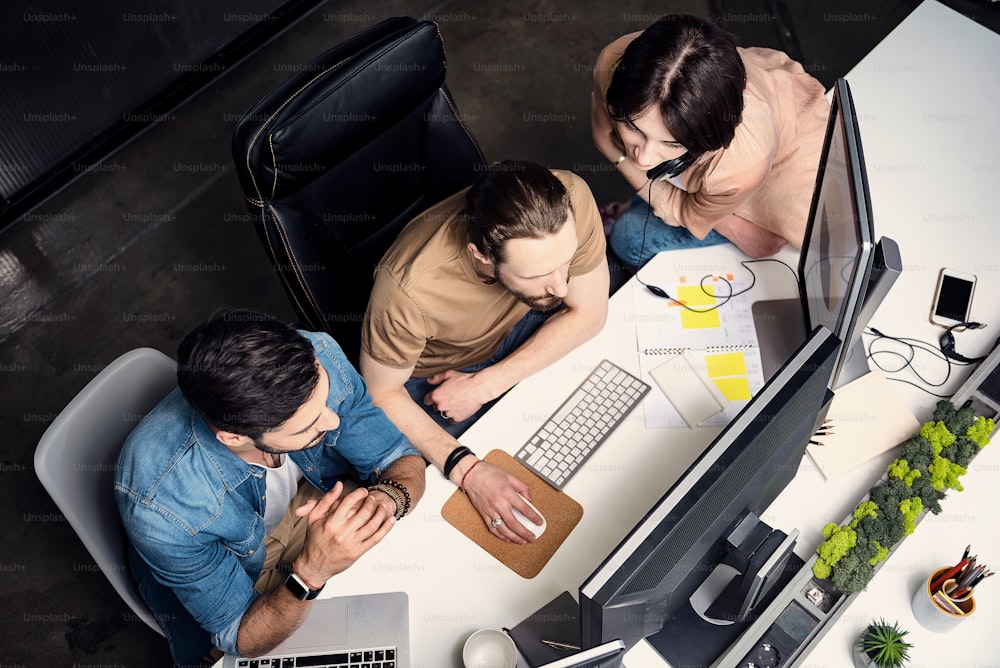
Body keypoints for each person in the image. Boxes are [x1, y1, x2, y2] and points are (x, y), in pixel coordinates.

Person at [114, 309, 425, 666]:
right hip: (235, 563)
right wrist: (311, 572)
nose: (333, 419)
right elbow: (238, 635)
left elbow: (398, 457)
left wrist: (387, 500)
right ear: (233, 438)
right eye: (308, 426)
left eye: (325, 400)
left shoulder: (314, 356)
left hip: (310, 498)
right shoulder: (164, 508)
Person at [360, 160, 609, 544]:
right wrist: (468, 469)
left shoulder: (569, 197)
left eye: (566, 262)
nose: (560, 287)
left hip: (520, 330)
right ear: (482, 255)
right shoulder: (408, 287)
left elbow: (589, 312)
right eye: (536, 274)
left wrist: (484, 385)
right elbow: (380, 392)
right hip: (436, 377)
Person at [591, 14, 830, 267]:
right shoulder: (614, 61)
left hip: (779, 178)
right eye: (633, 126)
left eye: (672, 143)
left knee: (629, 237)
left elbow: (688, 210)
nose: (643, 158)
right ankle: (632, 204)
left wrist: (730, 224)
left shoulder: (743, 163)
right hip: (742, 138)